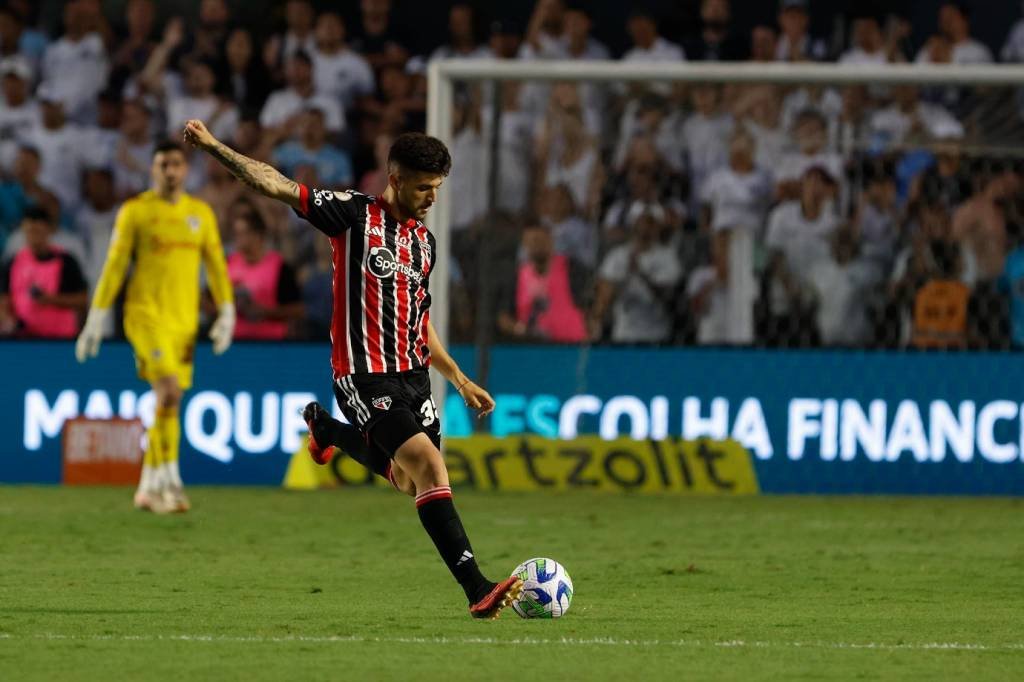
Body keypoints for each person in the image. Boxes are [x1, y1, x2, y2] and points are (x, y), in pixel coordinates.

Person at [183, 119, 522, 619]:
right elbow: (274, 184)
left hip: (414, 378)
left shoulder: (424, 245)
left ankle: (327, 432)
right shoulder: (354, 216)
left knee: (409, 482)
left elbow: (418, 322)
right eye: (424, 187)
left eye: (438, 188)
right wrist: (214, 147)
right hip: (364, 375)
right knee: (430, 467)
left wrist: (461, 378)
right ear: (395, 176)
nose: (432, 197)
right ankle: (477, 588)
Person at [75, 141, 236, 514]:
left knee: (171, 400)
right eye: (163, 164)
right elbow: (115, 265)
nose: (170, 171)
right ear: (152, 169)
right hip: (144, 315)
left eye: (176, 164)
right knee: (167, 391)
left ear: (186, 169)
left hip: (184, 321)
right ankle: (169, 478)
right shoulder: (136, 211)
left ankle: (147, 488)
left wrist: (226, 311)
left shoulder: (201, 214)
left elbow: (215, 265)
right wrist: (97, 315)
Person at [0, 207, 88, 338]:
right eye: (30, 231)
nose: (34, 236)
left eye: (38, 231)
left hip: (60, 338)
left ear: (49, 230)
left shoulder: (66, 261)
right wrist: (8, 319)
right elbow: (4, 300)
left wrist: (50, 299)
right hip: (22, 340)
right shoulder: (13, 263)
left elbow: (82, 299)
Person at [227, 212, 303, 340]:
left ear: (258, 235)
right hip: (235, 342)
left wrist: (266, 312)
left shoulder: (280, 267)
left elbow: (298, 309)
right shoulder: (229, 263)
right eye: (236, 233)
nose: (237, 238)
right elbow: (210, 300)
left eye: (242, 233)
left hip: (272, 344)